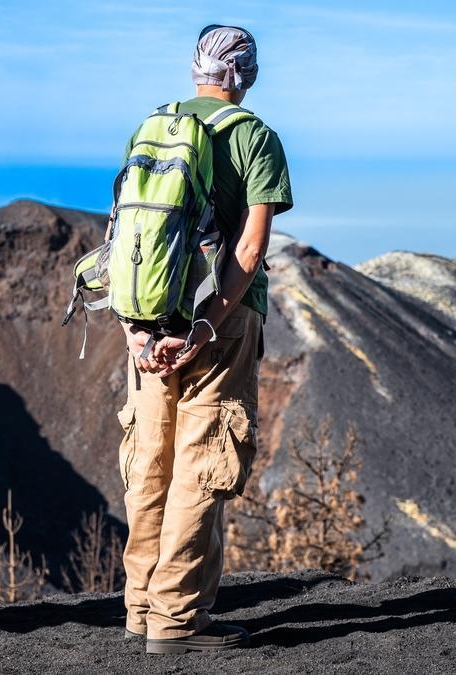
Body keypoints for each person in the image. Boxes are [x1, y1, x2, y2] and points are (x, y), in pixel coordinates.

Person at [116, 24, 293, 654]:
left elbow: (127, 242)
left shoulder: (153, 128)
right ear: (243, 72)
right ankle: (177, 622)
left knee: (150, 461)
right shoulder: (254, 137)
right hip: (219, 320)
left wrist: (141, 332)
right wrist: (208, 322)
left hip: (150, 315)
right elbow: (250, 247)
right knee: (202, 461)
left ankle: (140, 607)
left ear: (196, 70)